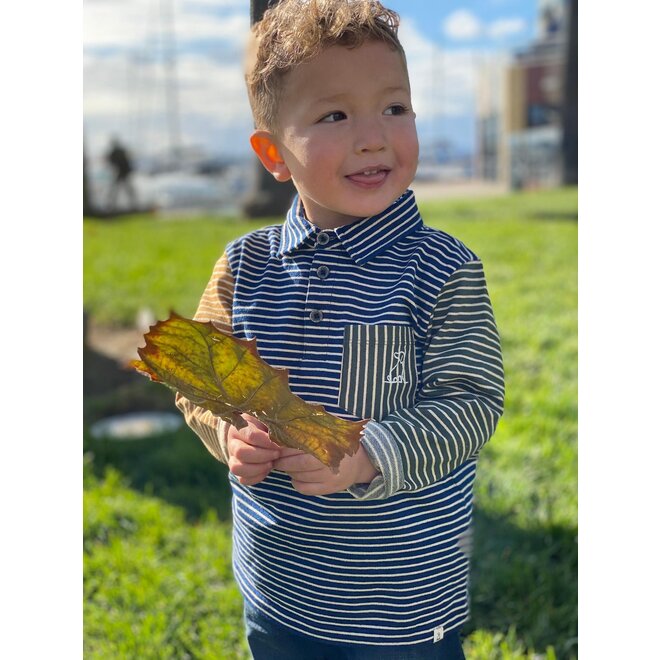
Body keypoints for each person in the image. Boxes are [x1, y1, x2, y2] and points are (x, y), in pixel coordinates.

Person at [176, 1, 504, 657]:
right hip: (277, 592)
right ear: (273, 153)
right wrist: (228, 430)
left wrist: (367, 453)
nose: (374, 137)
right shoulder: (243, 267)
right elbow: (197, 382)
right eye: (334, 115)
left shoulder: (442, 270)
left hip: (404, 605)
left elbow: (472, 404)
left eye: (395, 108)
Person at [105, 137, 137, 211]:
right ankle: (111, 204)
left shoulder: (117, 152)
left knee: (122, 189)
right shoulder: (120, 151)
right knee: (123, 189)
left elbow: (112, 161)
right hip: (122, 172)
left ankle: (111, 204)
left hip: (122, 172)